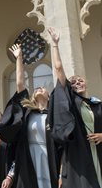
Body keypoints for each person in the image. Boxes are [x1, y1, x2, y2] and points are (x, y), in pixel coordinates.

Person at [0, 43, 60, 188]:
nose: (39, 88)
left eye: (43, 88)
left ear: (49, 97)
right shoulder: (28, 113)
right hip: (28, 156)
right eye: (37, 88)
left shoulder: (54, 115)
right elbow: (20, 84)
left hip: (49, 157)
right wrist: (19, 58)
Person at [48, 27, 102, 188]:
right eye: (73, 82)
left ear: (86, 83)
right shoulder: (71, 101)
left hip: (99, 152)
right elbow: (58, 69)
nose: (77, 83)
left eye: (80, 80)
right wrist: (56, 45)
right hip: (80, 153)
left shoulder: (97, 104)